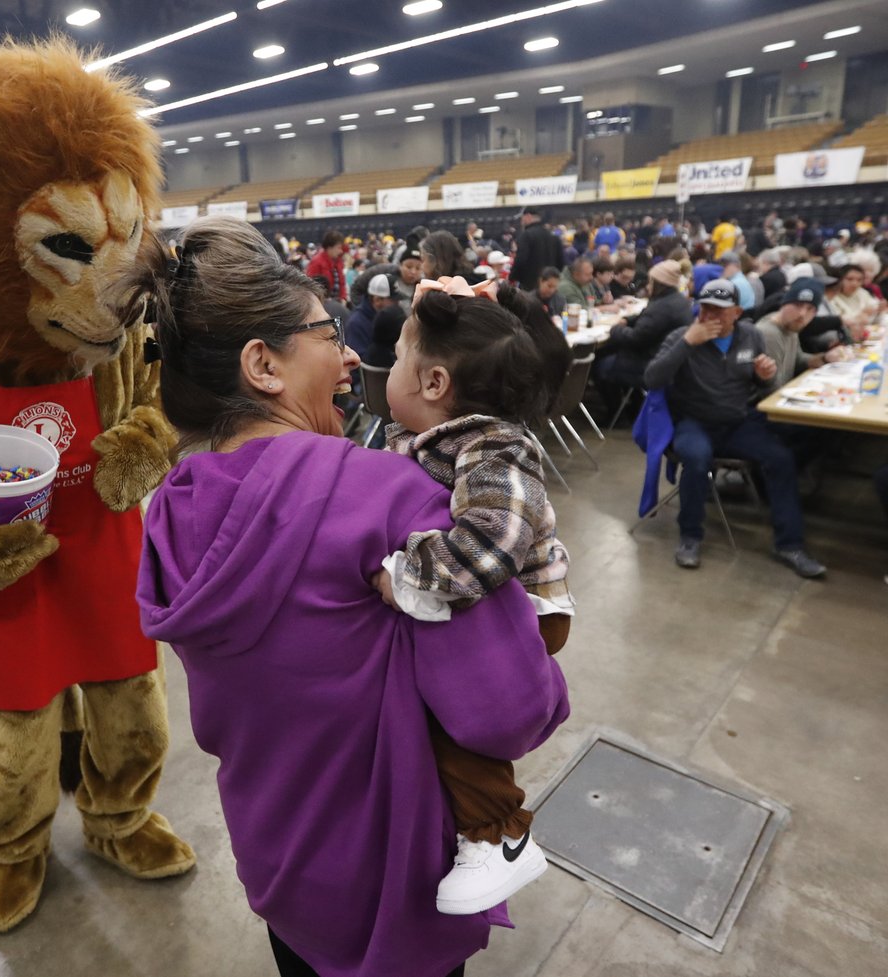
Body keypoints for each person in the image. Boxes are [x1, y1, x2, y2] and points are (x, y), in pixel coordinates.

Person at [125, 216, 569, 977]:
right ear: (263, 363)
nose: (351, 353)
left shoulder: (172, 508)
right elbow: (510, 708)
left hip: (279, 857)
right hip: (392, 879)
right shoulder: (391, 501)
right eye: (327, 333)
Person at [373, 279, 574, 914]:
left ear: (433, 384)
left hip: (522, 608)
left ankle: (501, 834)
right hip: (488, 598)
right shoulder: (446, 437)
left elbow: (487, 548)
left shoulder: (496, 446)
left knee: (452, 722)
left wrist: (400, 576)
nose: (390, 365)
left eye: (403, 354)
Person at [643, 279, 825, 577]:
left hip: (738, 422)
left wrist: (764, 376)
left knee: (781, 458)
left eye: (720, 310)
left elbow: (759, 384)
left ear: (737, 312)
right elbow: (651, 379)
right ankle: (690, 537)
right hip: (693, 421)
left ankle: (789, 545)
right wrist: (688, 342)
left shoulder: (750, 336)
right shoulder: (681, 336)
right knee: (697, 459)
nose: (710, 316)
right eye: (706, 308)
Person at [594, 260, 692, 419]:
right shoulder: (676, 300)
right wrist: (627, 320)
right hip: (663, 357)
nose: (647, 285)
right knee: (609, 350)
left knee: (600, 364)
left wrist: (616, 329)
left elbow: (636, 339)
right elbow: (645, 318)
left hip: (649, 361)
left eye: (651, 281)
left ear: (660, 283)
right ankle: (634, 405)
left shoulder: (662, 307)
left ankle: (615, 414)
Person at [512, 207, 564, 292]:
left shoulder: (526, 235)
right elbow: (561, 263)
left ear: (528, 216)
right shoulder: (553, 236)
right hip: (550, 288)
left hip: (529, 288)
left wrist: (512, 277)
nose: (521, 221)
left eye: (522, 218)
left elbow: (520, 260)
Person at [347, 273, 396, 361]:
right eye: (393, 300)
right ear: (377, 300)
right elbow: (358, 365)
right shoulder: (356, 323)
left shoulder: (387, 318)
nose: (397, 304)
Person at [306, 230, 349, 303]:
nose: (341, 251)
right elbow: (311, 287)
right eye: (338, 248)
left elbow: (342, 284)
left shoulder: (338, 262)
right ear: (329, 247)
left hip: (338, 303)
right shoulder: (316, 262)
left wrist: (343, 298)